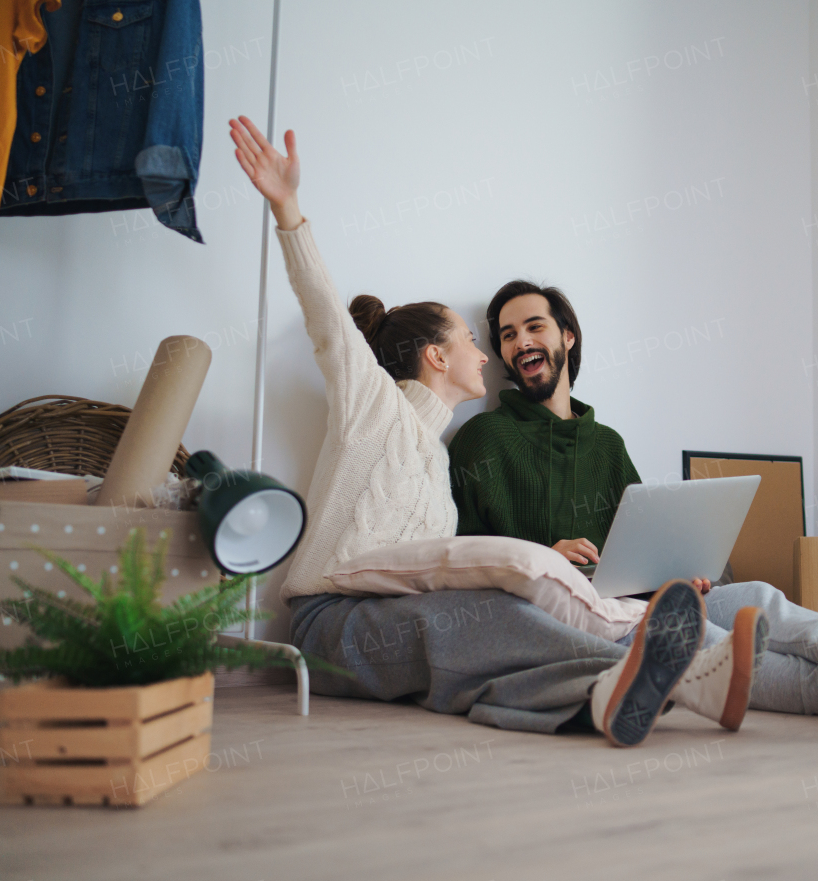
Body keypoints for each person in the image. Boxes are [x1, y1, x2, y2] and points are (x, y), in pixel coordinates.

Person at [228, 115, 773, 747]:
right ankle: (666, 676)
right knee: (475, 621)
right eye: (471, 341)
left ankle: (605, 697)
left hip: (401, 615)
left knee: (485, 631)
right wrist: (289, 209)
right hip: (330, 622)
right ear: (435, 356)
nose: (488, 355)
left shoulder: (439, 461)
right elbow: (327, 319)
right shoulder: (375, 408)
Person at [446, 280, 818, 726]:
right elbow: (463, 558)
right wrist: (546, 554)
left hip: (648, 599)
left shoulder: (605, 443)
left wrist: (680, 572)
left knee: (759, 596)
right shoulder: (483, 439)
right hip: (592, 618)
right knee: (730, 650)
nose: (520, 343)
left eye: (533, 326)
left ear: (566, 336)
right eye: (507, 336)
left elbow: (641, 540)